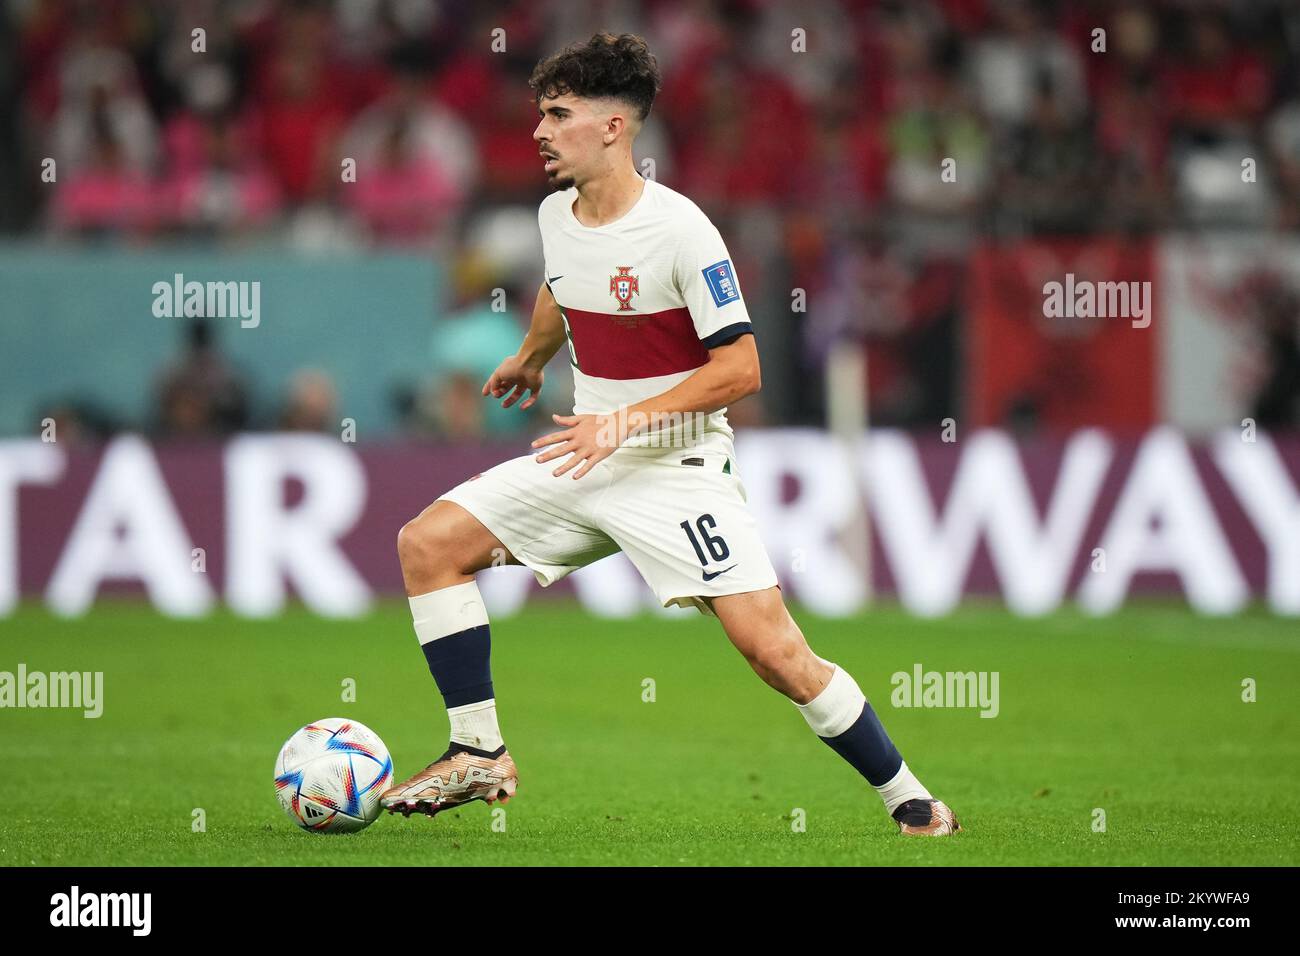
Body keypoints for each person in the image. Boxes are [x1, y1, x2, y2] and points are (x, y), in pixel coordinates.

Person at [382, 33, 959, 837]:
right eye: (540, 115)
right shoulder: (555, 214)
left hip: (674, 465)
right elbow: (562, 286)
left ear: (613, 128)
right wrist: (529, 357)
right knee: (428, 544)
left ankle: (911, 799)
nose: (540, 132)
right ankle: (477, 750)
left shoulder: (683, 230)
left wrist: (624, 419)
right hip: (585, 453)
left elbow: (742, 368)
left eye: (558, 115)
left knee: (774, 653)